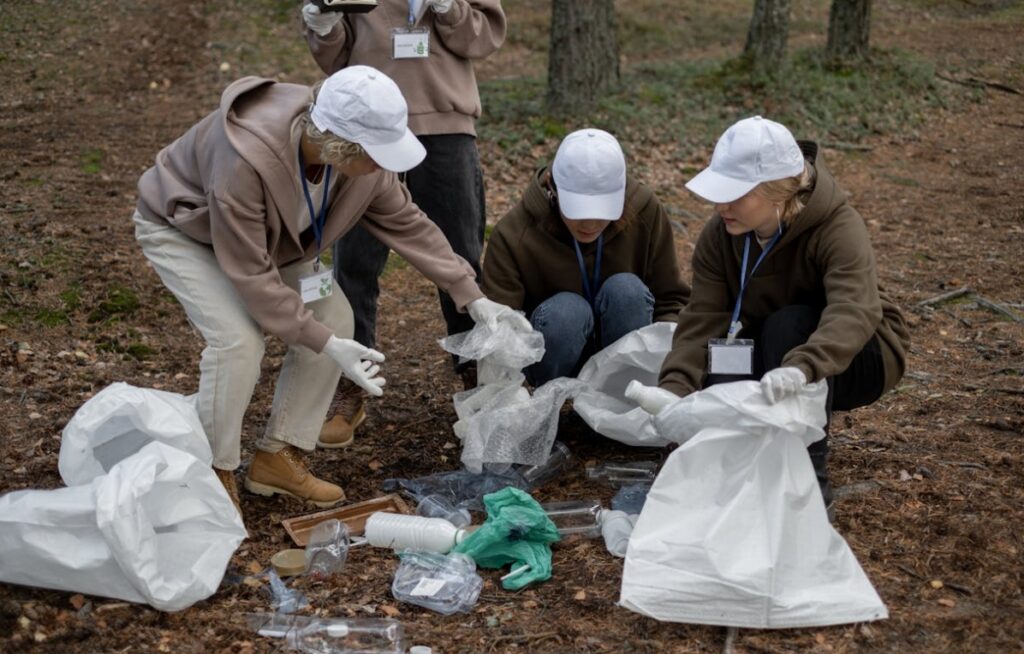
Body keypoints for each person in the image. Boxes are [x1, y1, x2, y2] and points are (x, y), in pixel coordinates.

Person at [132, 65, 526, 519]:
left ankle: (277, 456)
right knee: (237, 343)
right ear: (338, 143)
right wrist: (320, 343)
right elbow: (252, 275)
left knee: (336, 319)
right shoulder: (244, 158)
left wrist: (470, 293)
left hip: (278, 240)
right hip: (185, 230)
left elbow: (409, 223)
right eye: (376, 153)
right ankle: (212, 472)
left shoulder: (361, 166)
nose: (384, 165)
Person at [629, 116, 910, 518]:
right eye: (718, 193)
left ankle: (807, 484)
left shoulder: (836, 225)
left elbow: (855, 309)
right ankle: (732, 471)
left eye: (734, 195)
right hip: (771, 348)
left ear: (777, 191)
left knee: (789, 324)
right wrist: (675, 388)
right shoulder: (721, 234)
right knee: (724, 354)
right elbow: (705, 315)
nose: (720, 206)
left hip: (858, 356)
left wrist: (803, 368)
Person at [302, 0, 506, 446]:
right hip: (362, 131)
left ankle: (477, 376)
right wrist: (322, 24)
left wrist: (449, 8)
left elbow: (483, 38)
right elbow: (335, 58)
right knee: (353, 263)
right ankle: (350, 381)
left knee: (460, 256)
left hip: (447, 128)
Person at [481, 128, 690, 386]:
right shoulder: (514, 232)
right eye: (577, 210)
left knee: (627, 291)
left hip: (624, 359)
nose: (590, 223)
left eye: (603, 210)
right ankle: (550, 406)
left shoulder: (644, 211)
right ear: (552, 187)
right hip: (550, 358)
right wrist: (510, 390)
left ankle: (620, 397)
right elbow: (501, 323)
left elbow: (671, 298)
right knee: (568, 311)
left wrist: (669, 368)